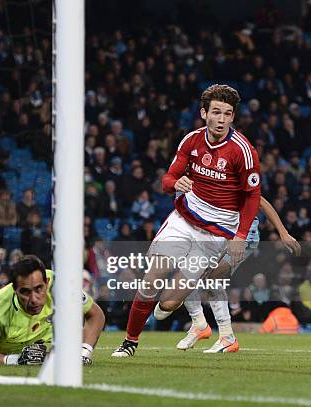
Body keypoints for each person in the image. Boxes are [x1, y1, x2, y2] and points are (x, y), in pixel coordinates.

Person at [112, 84, 261, 357]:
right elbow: (167, 180)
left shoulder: (243, 150)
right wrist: (174, 183)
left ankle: (196, 323)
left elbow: (253, 197)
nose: (221, 119)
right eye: (216, 112)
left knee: (167, 305)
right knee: (151, 280)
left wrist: (240, 236)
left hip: (215, 235)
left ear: (233, 117)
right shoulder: (191, 141)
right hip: (183, 220)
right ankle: (130, 342)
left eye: (227, 114)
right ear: (205, 113)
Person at [168, 196, 301, 353]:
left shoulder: (236, 175)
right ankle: (213, 330)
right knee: (194, 273)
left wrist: (283, 233)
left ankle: (214, 331)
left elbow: (261, 202)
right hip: (219, 232)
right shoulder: (204, 177)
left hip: (243, 237)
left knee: (206, 276)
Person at [0, 255, 105, 365]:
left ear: (47, 283)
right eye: (25, 292)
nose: (34, 299)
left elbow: (96, 315)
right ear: (15, 290)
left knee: (75, 334)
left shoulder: (60, 285)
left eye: (39, 289)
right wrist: (16, 360)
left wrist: (84, 354)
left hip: (43, 328)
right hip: (8, 340)